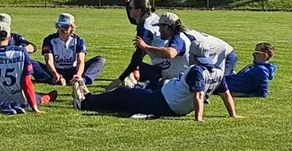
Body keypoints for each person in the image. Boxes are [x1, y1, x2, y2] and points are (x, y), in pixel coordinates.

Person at [73, 41, 242, 122]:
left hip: (162, 102)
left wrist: (198, 118)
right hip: (169, 99)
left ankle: (87, 102)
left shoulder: (197, 71)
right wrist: (232, 114)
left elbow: (198, 95)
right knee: (131, 98)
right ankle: (133, 88)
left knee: (122, 94)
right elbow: (226, 95)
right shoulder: (218, 71)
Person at [0, 21, 58, 114]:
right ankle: (48, 97)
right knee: (38, 98)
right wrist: (35, 109)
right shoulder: (21, 52)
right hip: (20, 100)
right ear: (9, 36)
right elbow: (27, 83)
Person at [113, 0, 166, 89]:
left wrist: (121, 78)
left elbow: (139, 55)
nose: (129, 9)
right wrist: (127, 2)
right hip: (171, 62)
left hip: (165, 65)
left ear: (138, 11)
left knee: (136, 71)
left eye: (130, 7)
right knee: (136, 68)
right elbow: (134, 20)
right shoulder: (151, 17)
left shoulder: (145, 27)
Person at [40, 12, 106, 86]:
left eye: (66, 26)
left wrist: (78, 74)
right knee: (31, 62)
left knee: (100, 60)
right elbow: (49, 60)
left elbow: (80, 61)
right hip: (54, 69)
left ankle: (80, 80)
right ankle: (55, 79)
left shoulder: (79, 40)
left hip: (72, 70)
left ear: (72, 27)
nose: (62, 29)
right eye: (60, 26)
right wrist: (55, 74)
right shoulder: (49, 40)